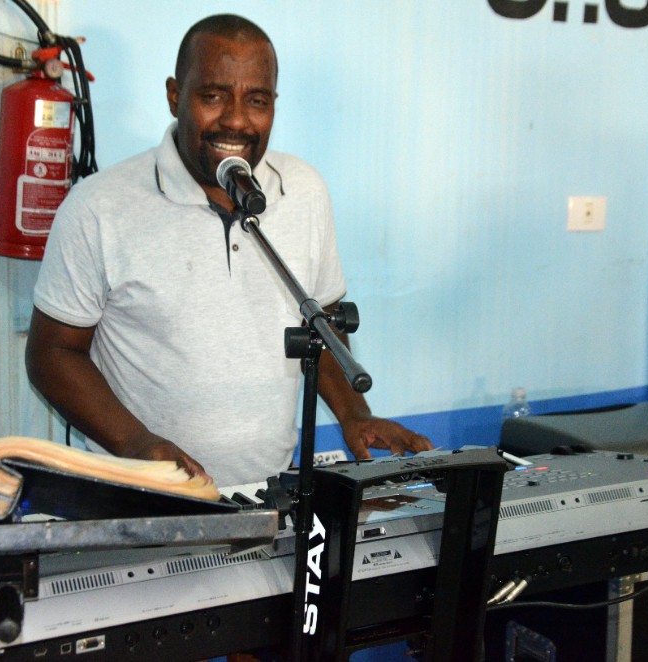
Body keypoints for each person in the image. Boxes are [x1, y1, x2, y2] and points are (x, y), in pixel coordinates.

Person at [26, 14, 432, 489]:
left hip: (270, 494)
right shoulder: (99, 206)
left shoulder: (304, 190)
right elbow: (52, 352)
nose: (237, 120)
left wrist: (354, 414)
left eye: (257, 101)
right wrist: (136, 442)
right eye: (214, 96)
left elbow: (321, 325)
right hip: (146, 492)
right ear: (175, 95)